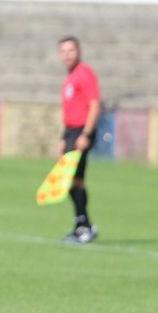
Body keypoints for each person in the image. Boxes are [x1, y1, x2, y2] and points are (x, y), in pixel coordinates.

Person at [57, 35, 101, 244]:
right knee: (72, 181)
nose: (67, 55)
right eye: (63, 51)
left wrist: (85, 134)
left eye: (71, 50)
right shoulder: (70, 77)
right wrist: (63, 138)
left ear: (79, 51)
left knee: (73, 180)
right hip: (70, 132)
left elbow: (94, 105)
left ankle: (84, 227)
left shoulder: (84, 74)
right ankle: (82, 225)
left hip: (81, 131)